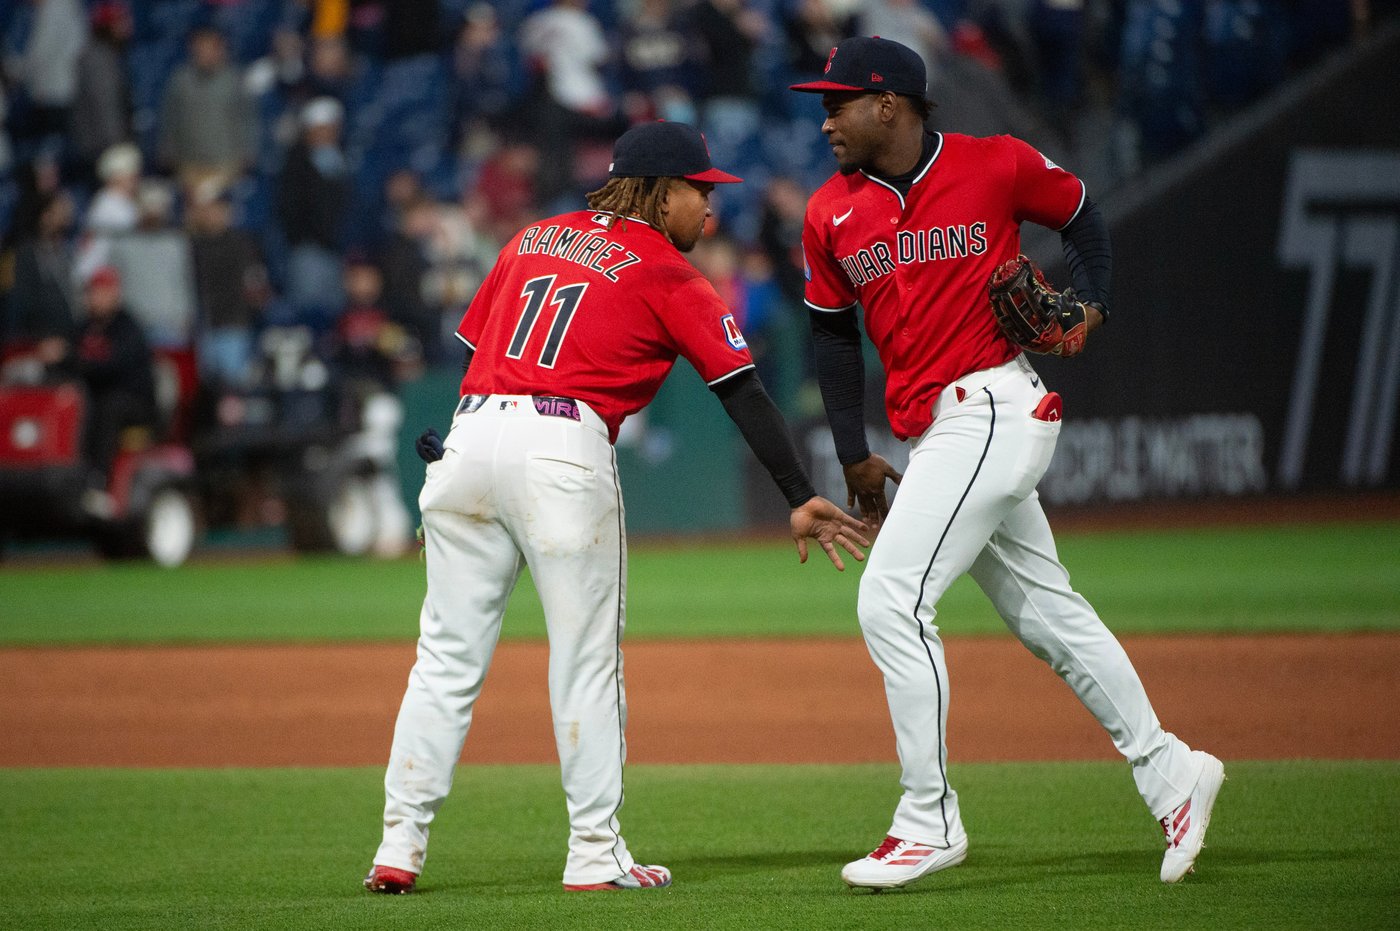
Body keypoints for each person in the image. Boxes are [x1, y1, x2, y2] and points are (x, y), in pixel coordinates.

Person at [363, 120, 870, 895]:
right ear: (660, 192)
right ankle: (595, 852)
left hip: (467, 443)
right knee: (587, 663)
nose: (711, 208)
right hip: (561, 448)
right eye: (700, 192)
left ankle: (397, 845)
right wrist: (799, 493)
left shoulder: (533, 236)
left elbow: (477, 353)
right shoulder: (667, 270)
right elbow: (741, 389)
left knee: (444, 661)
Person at [789, 36, 1224, 889]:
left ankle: (928, 818)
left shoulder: (995, 165)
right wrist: (851, 454)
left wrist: (1093, 300)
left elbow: (1083, 210)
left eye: (839, 101)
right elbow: (832, 336)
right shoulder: (830, 212)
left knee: (890, 598)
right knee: (1048, 615)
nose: (825, 117)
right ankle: (1174, 771)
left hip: (990, 403)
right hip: (932, 430)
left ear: (891, 104)